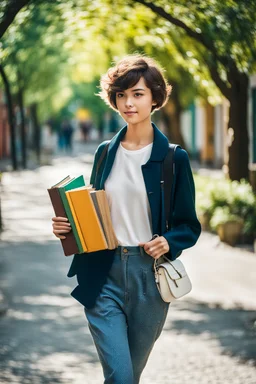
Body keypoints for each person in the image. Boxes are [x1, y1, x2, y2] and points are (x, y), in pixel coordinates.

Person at [52, 54, 201, 383]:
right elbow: (95, 211)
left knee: (129, 376)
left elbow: (189, 226)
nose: (128, 103)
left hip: (148, 277)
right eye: (121, 95)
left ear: (155, 98)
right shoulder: (105, 153)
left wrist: (168, 242)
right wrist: (67, 227)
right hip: (103, 273)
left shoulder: (174, 159)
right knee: (120, 376)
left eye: (138, 94)